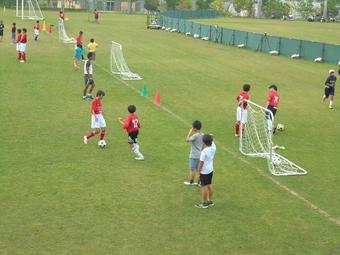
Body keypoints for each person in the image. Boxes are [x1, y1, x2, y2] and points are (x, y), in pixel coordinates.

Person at [195, 134, 216, 209]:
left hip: (204, 172)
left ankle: (204, 203)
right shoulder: (213, 147)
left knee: (204, 187)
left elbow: (201, 163)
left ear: (204, 142)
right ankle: (210, 201)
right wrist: (211, 136)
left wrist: (198, 172)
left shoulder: (204, 152)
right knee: (209, 185)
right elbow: (212, 140)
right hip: (210, 170)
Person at [184, 120, 203, 186]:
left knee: (192, 169)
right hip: (200, 155)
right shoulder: (203, 135)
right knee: (199, 170)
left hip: (194, 155)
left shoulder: (195, 136)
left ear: (195, 128)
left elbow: (187, 139)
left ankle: (191, 182)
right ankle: (199, 182)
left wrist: (190, 131)